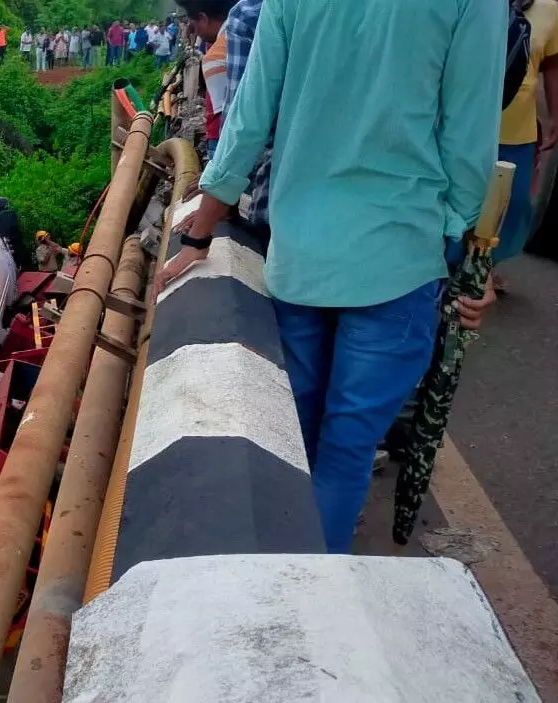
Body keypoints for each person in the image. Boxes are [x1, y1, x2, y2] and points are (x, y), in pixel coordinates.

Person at [155, 0, 506, 554]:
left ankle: (281, 577)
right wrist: (462, 249)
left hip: (301, 253)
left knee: (293, 436)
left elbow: (249, 118)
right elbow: (469, 138)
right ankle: (316, 595)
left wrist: (199, 234)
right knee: (345, 452)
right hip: (400, 255)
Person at [498, 0, 558, 286]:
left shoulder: (550, 8)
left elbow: (552, 66)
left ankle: (485, 263)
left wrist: (555, 116)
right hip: (468, 121)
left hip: (518, 126)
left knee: (516, 204)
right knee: (464, 196)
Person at [178, 0, 236, 157]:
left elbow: (224, 120)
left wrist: (216, 168)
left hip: (222, 143)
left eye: (194, 26)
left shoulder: (216, 55)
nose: (196, 33)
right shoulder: (249, 34)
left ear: (203, 19)